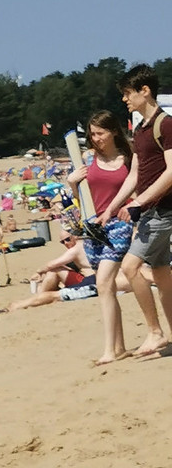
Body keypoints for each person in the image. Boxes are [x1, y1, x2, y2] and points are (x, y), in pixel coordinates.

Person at [100, 64, 172, 357]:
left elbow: (171, 172)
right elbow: (136, 174)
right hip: (151, 211)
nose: (124, 99)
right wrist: (114, 206)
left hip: (162, 210)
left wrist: (139, 202)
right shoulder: (141, 128)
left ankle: (154, 333)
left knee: (130, 267)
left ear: (145, 91)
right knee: (161, 273)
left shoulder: (165, 124)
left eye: (128, 93)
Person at [67, 110, 134, 364]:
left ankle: (109, 351)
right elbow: (81, 199)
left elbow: (137, 190)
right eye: (92, 134)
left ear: (114, 131)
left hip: (119, 225)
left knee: (104, 281)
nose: (95, 138)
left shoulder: (127, 159)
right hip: (93, 227)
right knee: (106, 287)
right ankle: (120, 347)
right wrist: (71, 183)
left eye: (100, 133)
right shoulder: (87, 158)